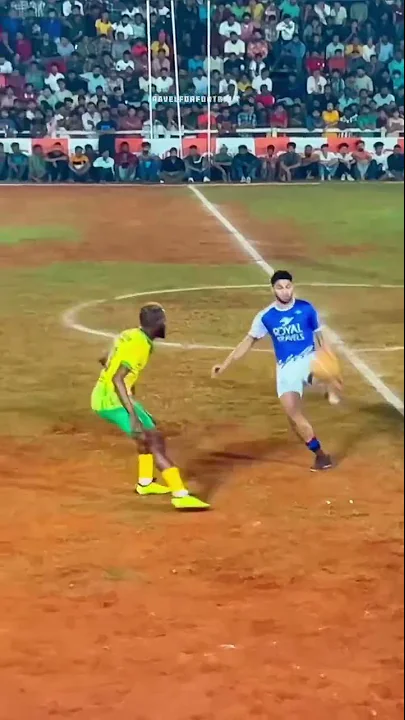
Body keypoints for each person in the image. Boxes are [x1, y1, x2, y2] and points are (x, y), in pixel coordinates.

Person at [212, 270, 340, 472]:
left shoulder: (306, 308)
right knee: (294, 417)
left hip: (308, 361)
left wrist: (332, 365)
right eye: (280, 287)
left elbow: (321, 340)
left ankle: (328, 385)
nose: (285, 291)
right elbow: (247, 342)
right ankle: (321, 456)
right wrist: (224, 364)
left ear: (293, 286)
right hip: (286, 370)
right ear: (273, 289)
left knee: (321, 373)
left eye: (288, 286)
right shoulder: (266, 317)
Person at [92, 303, 209, 511]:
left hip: (111, 395)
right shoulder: (141, 346)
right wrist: (133, 416)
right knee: (152, 440)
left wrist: (131, 397)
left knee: (152, 432)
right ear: (156, 324)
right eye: (163, 321)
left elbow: (105, 358)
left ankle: (145, 483)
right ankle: (180, 495)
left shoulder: (130, 334)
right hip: (110, 401)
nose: (165, 324)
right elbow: (118, 379)